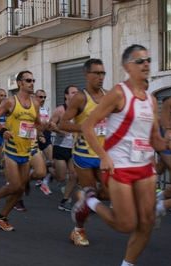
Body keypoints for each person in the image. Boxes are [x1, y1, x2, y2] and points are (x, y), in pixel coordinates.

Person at [78, 44, 171, 266]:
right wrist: (103, 156)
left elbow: (154, 138)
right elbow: (88, 126)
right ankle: (90, 201)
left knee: (148, 221)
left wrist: (169, 142)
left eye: (148, 60)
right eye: (140, 61)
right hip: (119, 165)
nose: (146, 64)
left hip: (144, 167)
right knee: (125, 224)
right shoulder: (118, 93)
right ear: (127, 67)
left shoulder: (151, 100)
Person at [0, 70, 55, 231]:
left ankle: (1, 218)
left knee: (20, 189)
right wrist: (2, 131)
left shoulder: (35, 104)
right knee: (15, 185)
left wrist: (47, 126)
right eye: (28, 80)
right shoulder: (10, 102)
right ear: (19, 83)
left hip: (26, 150)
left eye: (33, 80)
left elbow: (37, 124)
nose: (32, 83)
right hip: (11, 150)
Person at [58, 58, 109, 246]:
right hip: (84, 155)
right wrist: (85, 127)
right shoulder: (80, 97)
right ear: (86, 75)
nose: (100, 77)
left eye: (103, 73)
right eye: (96, 73)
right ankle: (78, 231)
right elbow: (63, 123)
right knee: (91, 193)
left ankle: (83, 198)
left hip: (102, 153)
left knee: (111, 192)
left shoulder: (109, 96)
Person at [49, 86, 79, 211]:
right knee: (61, 177)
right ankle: (48, 169)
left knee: (74, 175)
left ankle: (64, 201)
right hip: (60, 147)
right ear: (66, 95)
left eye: (77, 92)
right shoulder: (60, 110)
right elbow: (50, 125)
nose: (76, 94)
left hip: (73, 148)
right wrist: (61, 130)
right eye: (73, 92)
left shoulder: (79, 110)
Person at [33, 89, 54, 193]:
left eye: (44, 97)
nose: (43, 99)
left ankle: (44, 181)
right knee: (36, 164)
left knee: (52, 161)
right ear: (35, 97)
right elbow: (35, 124)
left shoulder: (46, 108)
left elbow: (45, 123)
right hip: (34, 137)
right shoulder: (32, 109)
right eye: (40, 97)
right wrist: (39, 134)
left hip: (45, 136)